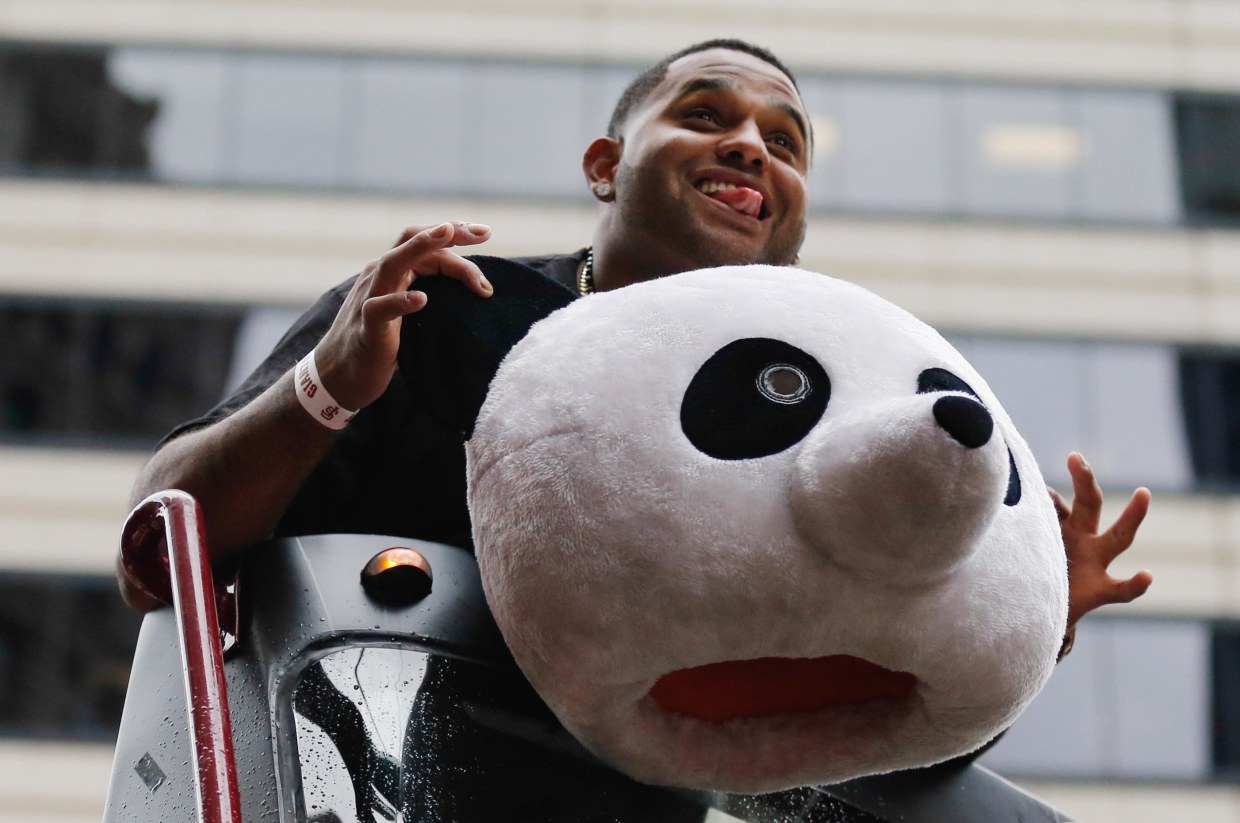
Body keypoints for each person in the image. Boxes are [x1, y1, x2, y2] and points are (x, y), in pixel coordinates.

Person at [117, 38, 1152, 649]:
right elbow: (160, 558)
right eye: (705, 116)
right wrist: (326, 390)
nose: (747, 143)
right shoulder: (440, 306)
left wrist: (1039, 613)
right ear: (607, 165)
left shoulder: (832, 419)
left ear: (792, 218)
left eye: (782, 142)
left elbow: (865, 736)